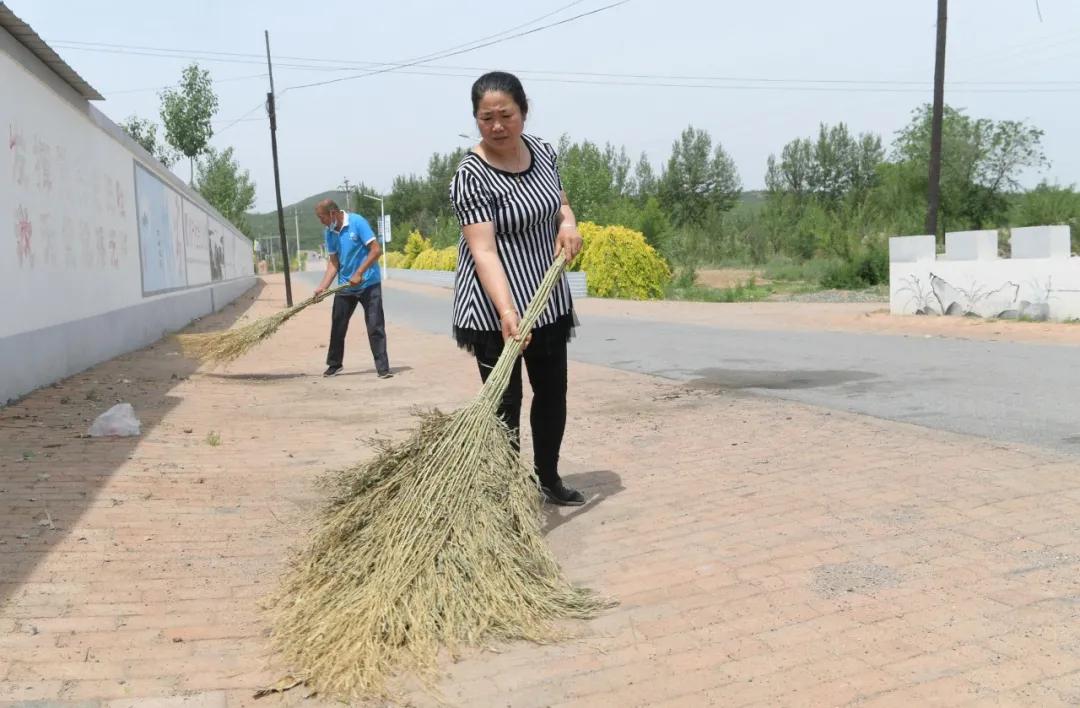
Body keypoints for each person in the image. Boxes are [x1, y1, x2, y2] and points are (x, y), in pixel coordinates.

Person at [449, 71, 585, 506]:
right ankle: (507, 497)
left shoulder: (544, 152)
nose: (497, 125)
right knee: (505, 402)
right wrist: (508, 312)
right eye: (486, 117)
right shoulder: (470, 175)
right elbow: (483, 251)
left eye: (506, 114)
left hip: (545, 297)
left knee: (552, 393)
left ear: (523, 111)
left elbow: (559, 201)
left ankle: (547, 477)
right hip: (495, 307)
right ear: (476, 120)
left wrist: (569, 224)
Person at [313, 199, 392, 379]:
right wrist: (322, 287)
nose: (321, 221)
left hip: (368, 283)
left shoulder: (357, 222)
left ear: (332, 213)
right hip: (345, 285)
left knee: (375, 325)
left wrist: (360, 272)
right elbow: (334, 262)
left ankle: (383, 368)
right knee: (338, 325)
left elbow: (376, 249)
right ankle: (335, 364)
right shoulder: (329, 232)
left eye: (322, 217)